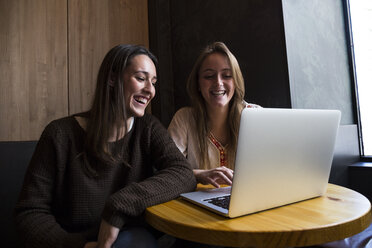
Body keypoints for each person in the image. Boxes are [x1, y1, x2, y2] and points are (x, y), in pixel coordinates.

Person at [14, 44, 196, 248]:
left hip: (129, 239)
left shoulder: (148, 127)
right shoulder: (59, 134)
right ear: (112, 78)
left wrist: (118, 207)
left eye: (153, 82)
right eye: (141, 78)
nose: (150, 90)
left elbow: (183, 173)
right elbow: (29, 214)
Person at [168, 41, 260, 189]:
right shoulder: (184, 119)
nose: (218, 83)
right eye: (209, 76)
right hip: (198, 204)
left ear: (236, 81)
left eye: (227, 75)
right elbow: (168, 171)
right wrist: (200, 175)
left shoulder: (255, 115)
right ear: (198, 83)